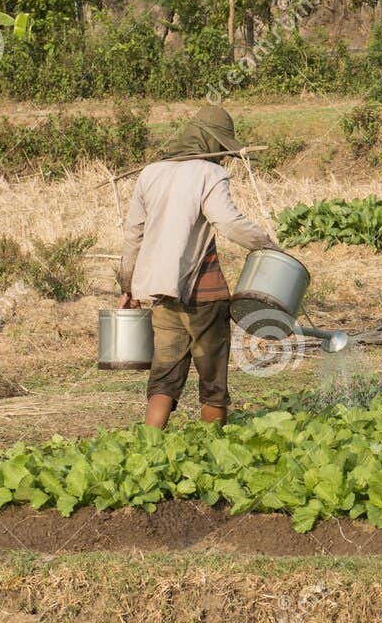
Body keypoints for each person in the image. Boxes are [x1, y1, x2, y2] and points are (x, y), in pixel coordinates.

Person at [117, 105, 278, 428]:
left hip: (161, 293)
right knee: (213, 384)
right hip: (205, 294)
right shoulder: (210, 174)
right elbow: (228, 221)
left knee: (163, 378)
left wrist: (128, 286)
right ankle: (212, 450)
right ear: (211, 144)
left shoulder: (151, 173)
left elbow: (133, 234)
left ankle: (149, 449)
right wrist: (268, 246)